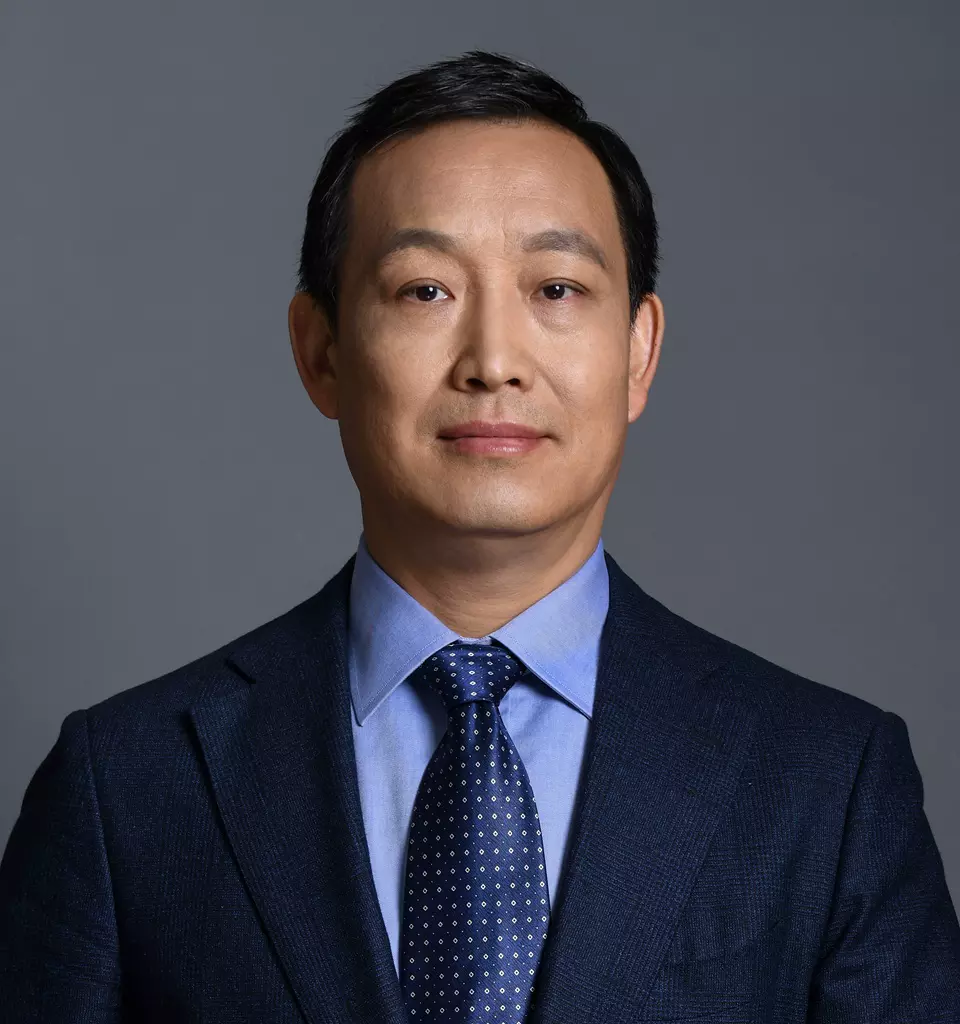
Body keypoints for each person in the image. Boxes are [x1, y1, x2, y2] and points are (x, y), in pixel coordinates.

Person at [1, 49, 958, 1024]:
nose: (494, 360)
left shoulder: (829, 783)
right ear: (321, 351)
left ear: (639, 352)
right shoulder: (124, 784)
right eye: (425, 290)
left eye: (556, 289)